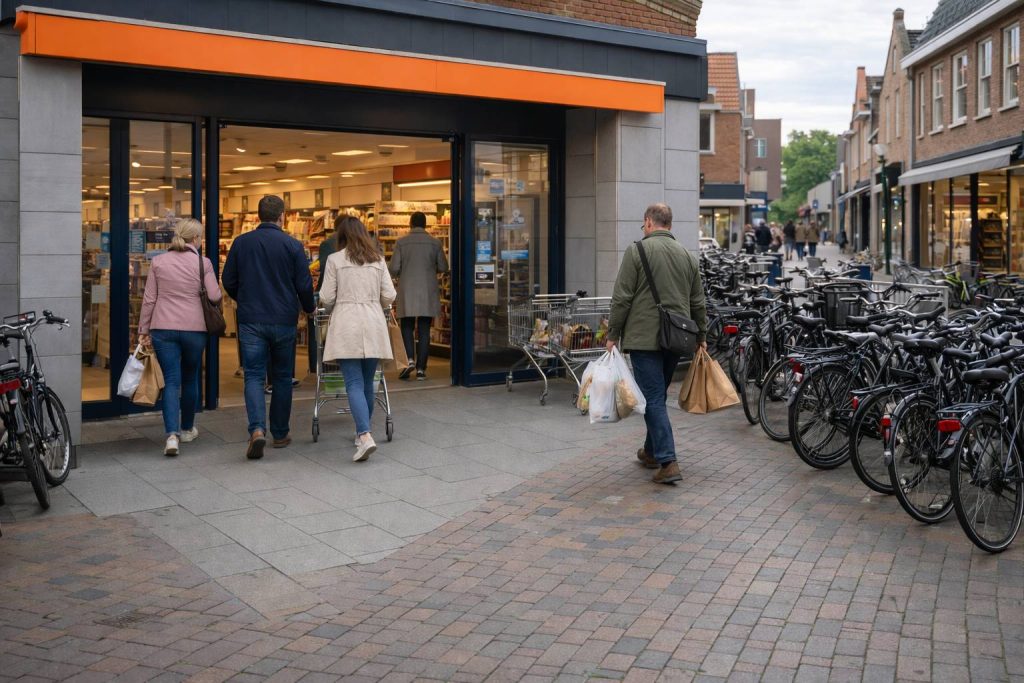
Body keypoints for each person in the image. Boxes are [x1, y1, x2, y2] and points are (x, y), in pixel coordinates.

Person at [606, 203, 708, 485]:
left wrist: (612, 333)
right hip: (678, 337)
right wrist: (702, 337)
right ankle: (651, 452)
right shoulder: (688, 256)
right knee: (657, 396)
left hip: (645, 339)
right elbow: (698, 302)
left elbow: (622, 297)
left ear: (648, 222)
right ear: (670, 225)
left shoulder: (637, 251)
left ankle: (668, 460)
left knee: (652, 398)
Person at [222, 195, 315, 460]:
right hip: (284, 319)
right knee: (283, 376)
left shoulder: (241, 243)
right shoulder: (292, 245)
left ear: (259, 215)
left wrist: (246, 298)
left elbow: (228, 279)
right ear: (282, 216)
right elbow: (304, 284)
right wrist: (307, 307)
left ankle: (257, 430)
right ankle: (281, 432)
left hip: (251, 319)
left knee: (253, 374)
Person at [138, 218, 222, 457]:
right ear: (195, 239)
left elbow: (149, 299)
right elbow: (214, 296)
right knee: (191, 378)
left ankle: (171, 436)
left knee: (171, 381)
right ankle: (186, 429)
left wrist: (144, 329)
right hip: (195, 329)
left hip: (163, 327)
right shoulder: (202, 263)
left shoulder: (159, 262)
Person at [319, 216, 397, 462]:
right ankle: (362, 432)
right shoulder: (378, 260)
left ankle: (364, 435)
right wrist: (375, 302)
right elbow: (390, 295)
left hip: (346, 323)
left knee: (352, 381)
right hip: (373, 322)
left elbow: (326, 297)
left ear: (341, 236)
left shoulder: (335, 260)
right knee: (367, 382)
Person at [389, 211, 449, 381]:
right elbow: (444, 267)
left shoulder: (401, 242)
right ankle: (421, 369)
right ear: (425, 224)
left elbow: (393, 268)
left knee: (407, 326)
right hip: (427, 291)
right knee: (424, 329)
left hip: (407, 290)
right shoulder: (435, 243)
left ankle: (409, 360)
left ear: (410, 224)